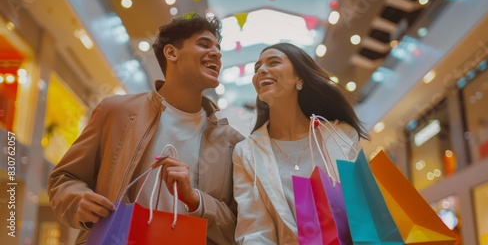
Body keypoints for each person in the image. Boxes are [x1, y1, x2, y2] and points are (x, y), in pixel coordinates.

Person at [48, 13, 244, 245]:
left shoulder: (231, 141)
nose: (217, 53)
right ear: (171, 53)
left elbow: (240, 227)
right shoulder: (116, 112)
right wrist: (77, 200)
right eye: (204, 44)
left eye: (218, 47)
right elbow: (64, 178)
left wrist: (196, 201)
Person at [232, 42, 370, 244]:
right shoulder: (246, 152)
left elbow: (362, 208)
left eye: (274, 62)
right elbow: (254, 230)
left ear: (299, 77)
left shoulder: (340, 134)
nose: (261, 70)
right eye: (257, 68)